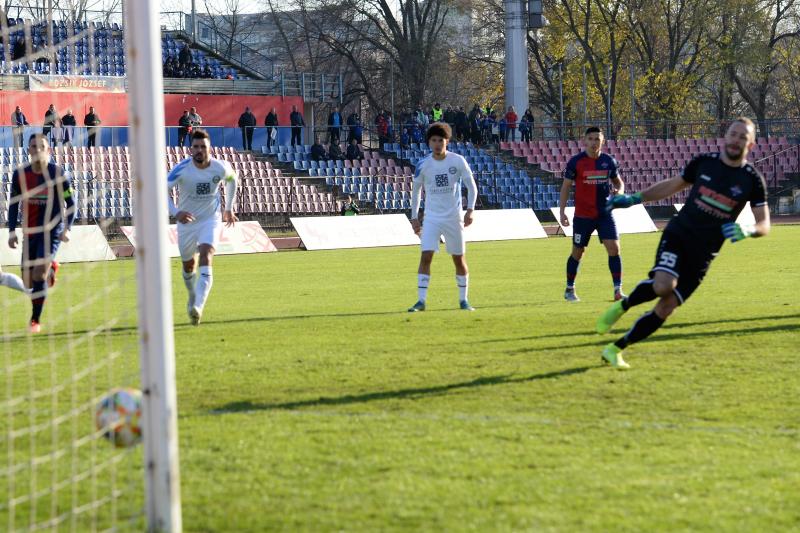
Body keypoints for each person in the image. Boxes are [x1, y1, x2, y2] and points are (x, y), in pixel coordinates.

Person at [596, 117, 770, 370]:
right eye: (734, 134)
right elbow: (672, 186)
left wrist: (749, 229)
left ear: (751, 144)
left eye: (743, 137)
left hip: (705, 253)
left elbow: (764, 223)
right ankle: (623, 306)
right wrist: (635, 198)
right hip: (679, 235)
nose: (736, 140)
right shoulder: (704, 163)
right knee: (664, 285)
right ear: (726, 136)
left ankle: (615, 349)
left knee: (667, 307)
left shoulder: (752, 180)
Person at [167, 129, 238, 325]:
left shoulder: (219, 167)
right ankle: (192, 296)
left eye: (203, 147)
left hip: (210, 220)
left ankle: (198, 306)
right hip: (187, 224)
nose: (199, 150)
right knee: (189, 266)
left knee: (207, 254)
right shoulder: (181, 169)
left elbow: (233, 180)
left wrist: (229, 208)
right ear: (191, 149)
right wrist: (176, 212)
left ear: (209, 148)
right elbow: (162, 189)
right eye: (196, 147)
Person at [7, 134, 75, 333]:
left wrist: (68, 229)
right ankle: (52, 269)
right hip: (29, 233)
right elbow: (13, 205)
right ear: (28, 150)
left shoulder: (58, 174)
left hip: (52, 232)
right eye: (33, 146)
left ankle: (35, 320)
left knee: (39, 274)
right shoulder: (20, 175)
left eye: (41, 146)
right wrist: (12, 231)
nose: (37, 150)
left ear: (49, 150)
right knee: (29, 282)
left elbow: (71, 204)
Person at [408, 122, 477, 312]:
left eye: (441, 140)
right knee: (426, 256)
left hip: (454, 218)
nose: (437, 144)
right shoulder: (423, 165)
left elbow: (471, 186)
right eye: (434, 140)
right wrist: (414, 217)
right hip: (431, 218)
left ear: (447, 141)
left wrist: (470, 209)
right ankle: (421, 301)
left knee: (458, 259)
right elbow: (415, 192)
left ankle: (464, 300)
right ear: (429, 143)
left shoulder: (457, 161)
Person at [558, 126, 626, 302]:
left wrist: (619, 191)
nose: (594, 142)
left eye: (597, 139)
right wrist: (562, 212)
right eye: (591, 139)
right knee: (578, 252)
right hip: (583, 216)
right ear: (585, 141)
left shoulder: (609, 161)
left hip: (605, 214)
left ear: (602, 141)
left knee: (614, 248)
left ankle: (618, 290)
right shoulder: (576, 162)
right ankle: (569, 289)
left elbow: (619, 183)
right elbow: (566, 187)